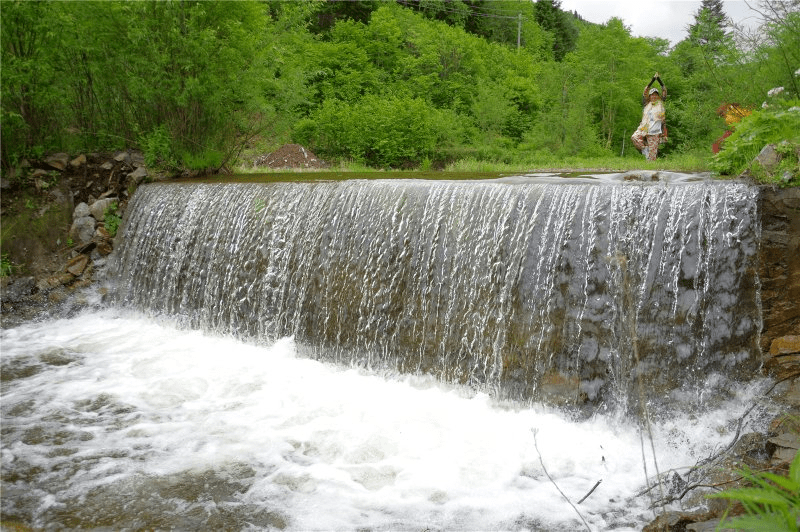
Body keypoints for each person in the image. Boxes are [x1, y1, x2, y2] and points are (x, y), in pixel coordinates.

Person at [631, 73, 667, 161]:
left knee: (652, 158)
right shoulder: (647, 104)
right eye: (652, 95)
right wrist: (652, 80)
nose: (653, 96)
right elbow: (645, 91)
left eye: (655, 95)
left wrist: (659, 80)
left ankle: (651, 169)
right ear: (650, 96)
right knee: (634, 137)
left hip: (655, 131)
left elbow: (664, 91)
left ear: (657, 96)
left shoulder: (660, 103)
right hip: (645, 127)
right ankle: (645, 149)